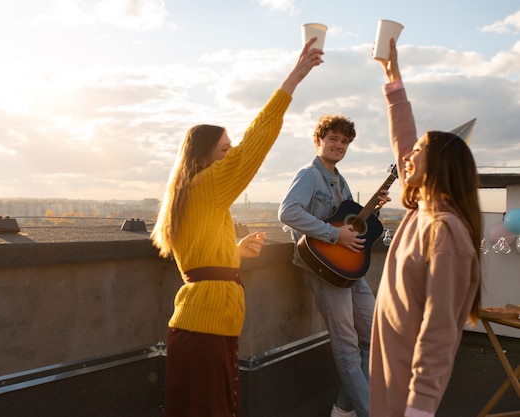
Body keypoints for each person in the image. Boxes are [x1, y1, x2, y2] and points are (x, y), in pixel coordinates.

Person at [150, 37, 324, 417]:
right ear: (205, 155)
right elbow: (256, 143)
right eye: (225, 149)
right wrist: (294, 77)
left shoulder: (191, 195)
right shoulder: (207, 186)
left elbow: (199, 259)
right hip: (206, 331)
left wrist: (234, 252)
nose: (231, 155)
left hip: (201, 329)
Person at [369, 38, 482, 417]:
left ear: (439, 167)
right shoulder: (422, 213)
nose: (408, 155)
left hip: (409, 391)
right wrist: (393, 78)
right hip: (389, 373)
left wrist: (420, 407)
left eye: (420, 150)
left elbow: (439, 331)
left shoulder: (445, 232)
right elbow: (403, 142)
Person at [278, 113, 390, 417]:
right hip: (325, 270)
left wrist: (374, 210)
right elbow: (288, 212)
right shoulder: (308, 175)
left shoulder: (341, 180)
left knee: (373, 336)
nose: (339, 145)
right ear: (319, 141)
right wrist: (332, 235)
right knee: (346, 346)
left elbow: (350, 226)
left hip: (351, 270)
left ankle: (343, 409)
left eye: (344, 141)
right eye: (333, 139)